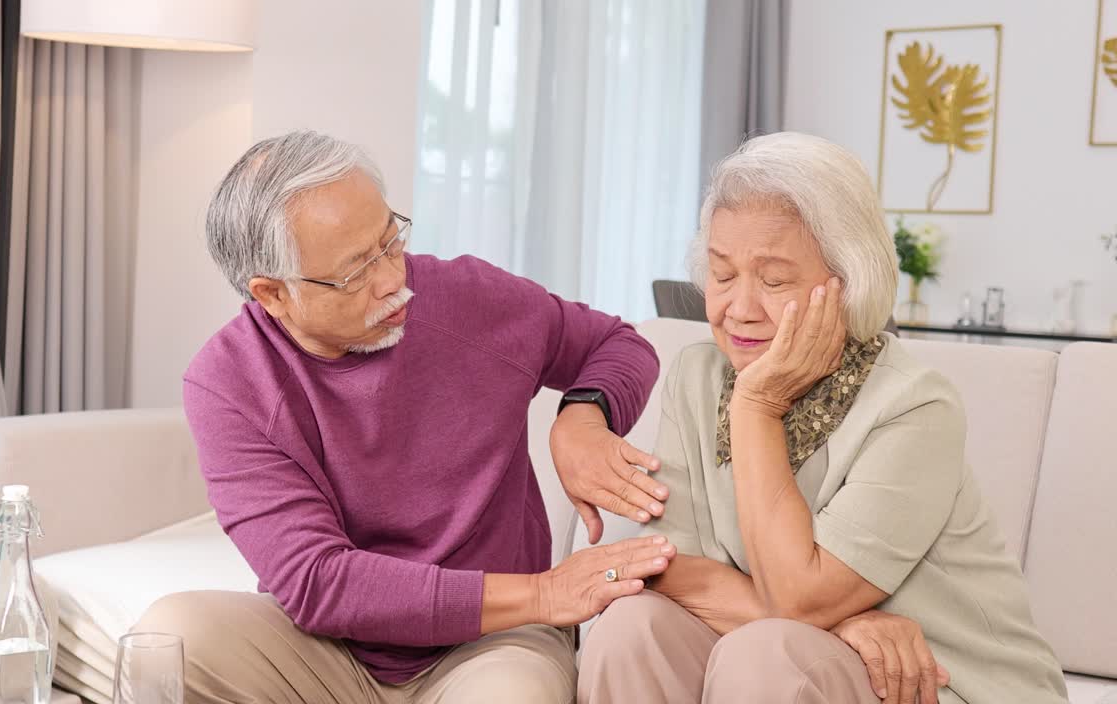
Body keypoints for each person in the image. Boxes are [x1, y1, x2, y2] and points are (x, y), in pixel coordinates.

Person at [134, 130, 672, 703]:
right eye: (354, 273)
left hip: (492, 642)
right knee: (169, 635)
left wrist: (584, 418)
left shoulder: (465, 298)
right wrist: (546, 594)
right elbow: (318, 583)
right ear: (273, 295)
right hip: (325, 647)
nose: (393, 282)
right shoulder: (229, 383)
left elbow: (618, 344)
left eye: (389, 243)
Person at [578, 132, 1067, 704]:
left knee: (768, 652)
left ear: (848, 281)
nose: (738, 308)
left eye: (774, 279)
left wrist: (757, 406)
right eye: (722, 273)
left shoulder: (914, 407)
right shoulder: (697, 375)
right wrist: (844, 625)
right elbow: (665, 566)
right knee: (632, 628)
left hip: (937, 681)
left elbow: (798, 601)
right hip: (812, 654)